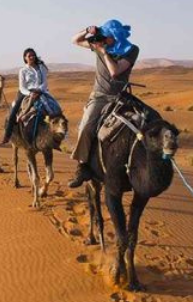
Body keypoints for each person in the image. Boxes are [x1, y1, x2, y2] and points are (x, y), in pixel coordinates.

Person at [68, 19, 140, 188]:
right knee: (86, 127)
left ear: (116, 36)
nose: (104, 39)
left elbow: (115, 72)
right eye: (103, 36)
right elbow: (75, 40)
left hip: (120, 96)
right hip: (100, 97)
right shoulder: (99, 45)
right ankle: (82, 166)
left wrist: (103, 51)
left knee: (143, 122)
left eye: (107, 36)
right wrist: (88, 30)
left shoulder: (131, 50)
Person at [1, 48, 49, 144]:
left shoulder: (41, 67)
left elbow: (45, 82)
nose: (32, 57)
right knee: (13, 112)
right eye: (29, 56)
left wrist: (39, 90)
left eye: (33, 55)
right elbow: (22, 87)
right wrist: (30, 93)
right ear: (25, 58)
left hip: (41, 91)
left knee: (54, 108)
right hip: (25, 92)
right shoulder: (23, 71)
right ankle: (7, 136)